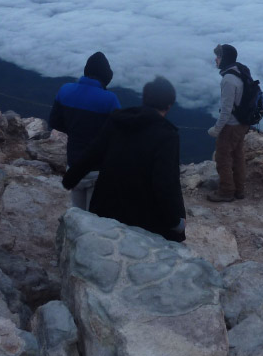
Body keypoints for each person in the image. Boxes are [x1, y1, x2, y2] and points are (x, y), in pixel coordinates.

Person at [62, 76, 186, 242]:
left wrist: (70, 179)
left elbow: (93, 153)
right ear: (169, 106)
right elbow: (164, 183)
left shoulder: (117, 120)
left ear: (145, 99)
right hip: (143, 219)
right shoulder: (167, 136)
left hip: (105, 208)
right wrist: (175, 222)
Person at [49, 52, 121, 210]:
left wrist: (75, 129)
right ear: (106, 77)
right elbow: (119, 134)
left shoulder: (65, 90)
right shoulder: (110, 100)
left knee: (76, 214)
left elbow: (54, 122)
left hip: (73, 166)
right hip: (98, 170)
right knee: (93, 220)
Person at [207, 43, 249, 202]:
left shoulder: (228, 80)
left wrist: (216, 130)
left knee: (223, 157)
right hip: (242, 123)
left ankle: (226, 192)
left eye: (218, 57)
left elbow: (226, 110)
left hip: (231, 126)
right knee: (238, 156)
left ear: (224, 59)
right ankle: (239, 190)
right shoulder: (240, 71)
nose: (215, 60)